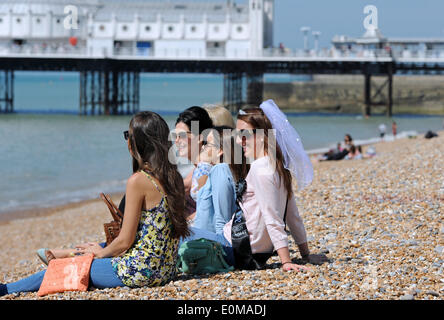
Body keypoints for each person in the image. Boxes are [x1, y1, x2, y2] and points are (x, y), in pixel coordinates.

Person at [0, 111, 189, 296]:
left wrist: (100, 254)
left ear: (137, 143)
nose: (127, 141)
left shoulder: (138, 181)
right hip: (166, 270)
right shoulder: (174, 178)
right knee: (88, 254)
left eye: (128, 136)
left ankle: (6, 289)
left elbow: (125, 241)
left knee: (66, 267)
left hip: (140, 271)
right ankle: (68, 254)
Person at [182, 100, 327, 272]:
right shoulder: (278, 167)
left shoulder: (261, 169)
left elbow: (272, 217)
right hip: (250, 250)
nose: (238, 140)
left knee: (175, 238)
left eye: (244, 134)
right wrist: (305, 254)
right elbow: (292, 215)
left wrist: (286, 261)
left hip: (234, 247)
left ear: (262, 135)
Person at [190, 126, 249, 234]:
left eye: (207, 144)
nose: (203, 148)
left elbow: (222, 220)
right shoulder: (227, 170)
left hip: (209, 242)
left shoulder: (220, 170)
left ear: (220, 150)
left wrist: (222, 248)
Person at [173, 106, 214, 218]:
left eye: (182, 135)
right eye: (175, 136)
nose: (176, 141)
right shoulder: (200, 166)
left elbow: (207, 211)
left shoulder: (205, 168)